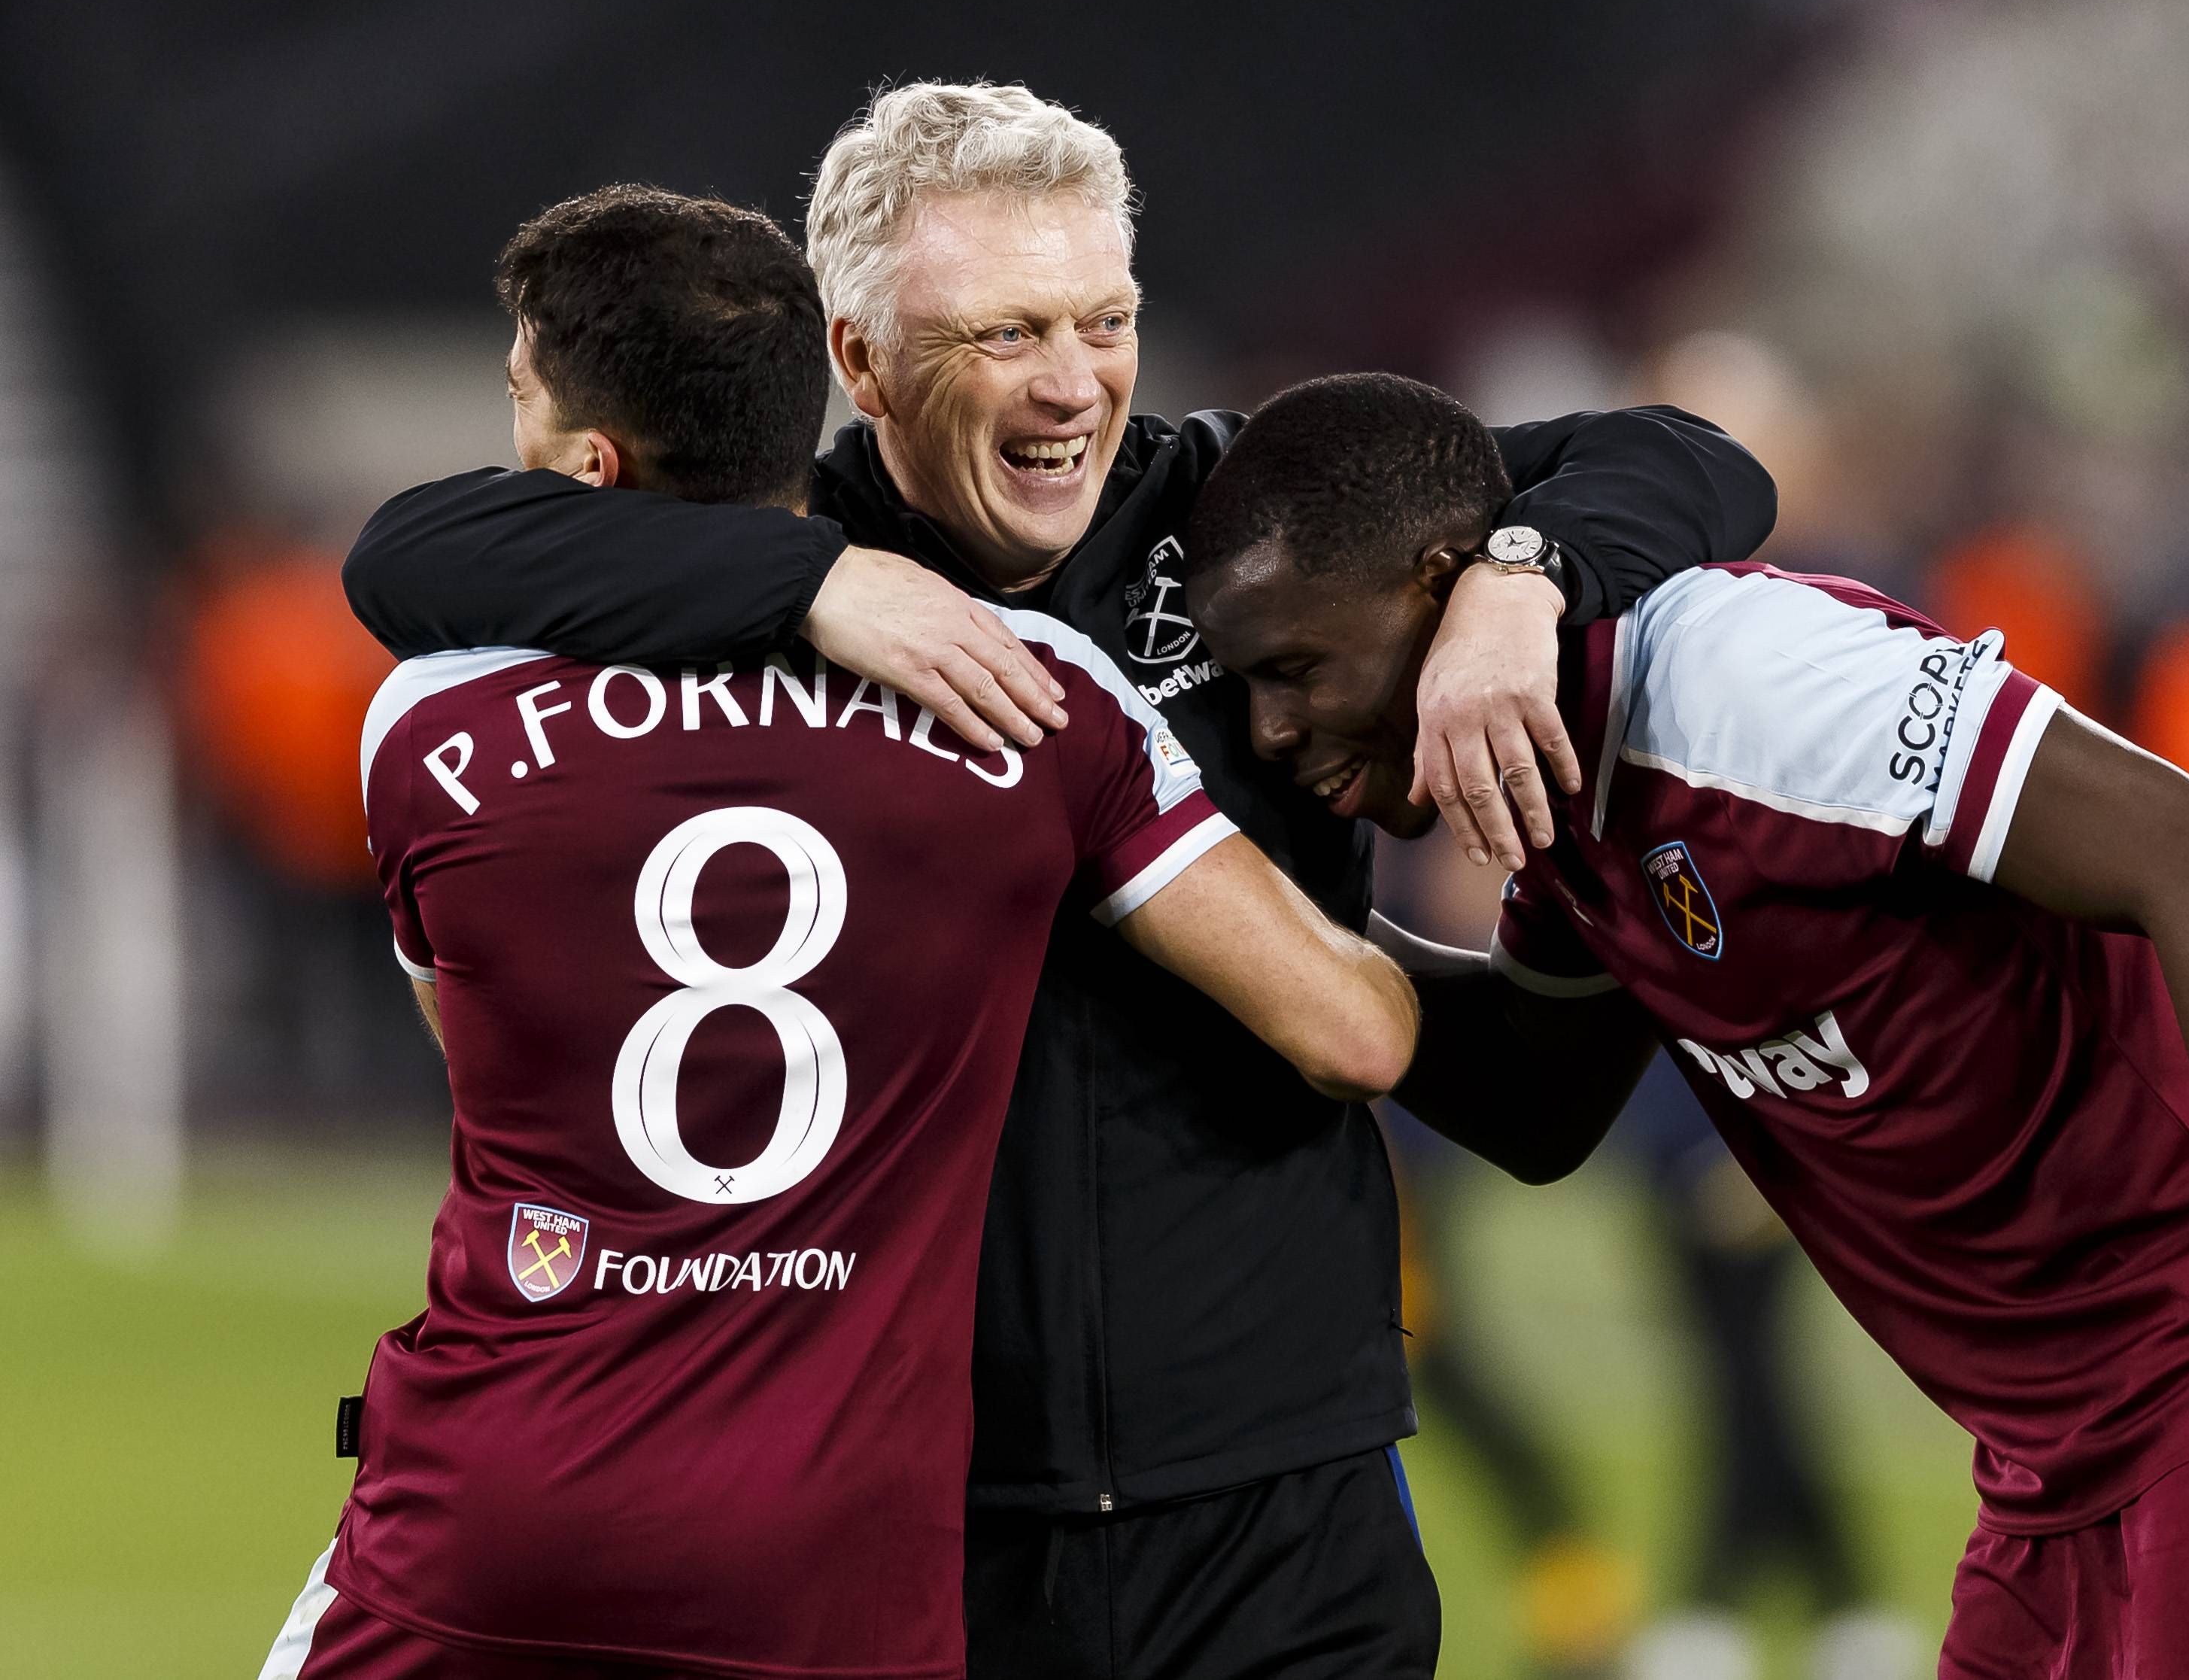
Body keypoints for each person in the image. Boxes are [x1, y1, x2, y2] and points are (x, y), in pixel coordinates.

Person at [338, 82, 1777, 1677]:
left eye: (1104, 319)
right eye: (1003, 335)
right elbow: (414, 556)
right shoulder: (783, 585)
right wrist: (805, 574)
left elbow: (1694, 461)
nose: (1070, 383)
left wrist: (1524, 580)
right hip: (952, 1523)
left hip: (1279, 1495)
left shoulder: (1256, 519)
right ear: (857, 360)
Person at [1181, 372, 2189, 1678]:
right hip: (2052, 1465)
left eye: (1295, 666)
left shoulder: (1740, 683)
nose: (1276, 727)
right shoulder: (1574, 810)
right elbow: (1541, 1104)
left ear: (1439, 589)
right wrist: (1226, 909)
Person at [259, 187, 1416, 1680]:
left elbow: (483, 1054)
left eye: (519, 405)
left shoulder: (434, 718)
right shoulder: (1031, 696)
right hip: (834, 1568)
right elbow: (1354, 1032)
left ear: (587, 465)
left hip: (493, 1511)